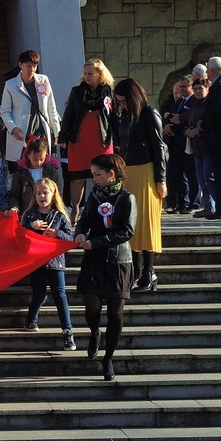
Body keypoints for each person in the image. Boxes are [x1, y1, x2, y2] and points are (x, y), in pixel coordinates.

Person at [74, 154, 137, 381]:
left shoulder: (127, 198)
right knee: (91, 308)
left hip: (118, 261)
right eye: (92, 175)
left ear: (111, 174)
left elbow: (127, 231)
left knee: (115, 313)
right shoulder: (94, 195)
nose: (94, 179)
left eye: (97, 174)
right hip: (94, 260)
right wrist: (80, 231)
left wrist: (97, 242)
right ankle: (94, 331)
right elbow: (84, 219)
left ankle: (108, 358)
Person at [114, 78, 167, 291]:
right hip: (129, 171)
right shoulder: (126, 115)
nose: (122, 105)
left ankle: (149, 272)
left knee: (146, 222)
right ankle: (136, 271)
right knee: (131, 222)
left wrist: (161, 179)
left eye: (124, 101)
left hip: (146, 171)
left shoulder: (149, 114)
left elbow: (160, 148)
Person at [58, 58, 117, 224]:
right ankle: (76, 209)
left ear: (100, 74)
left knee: (104, 175)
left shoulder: (108, 91)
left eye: (90, 73)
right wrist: (63, 137)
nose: (87, 76)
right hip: (79, 140)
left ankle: (105, 208)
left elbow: (114, 117)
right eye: (85, 73)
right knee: (77, 177)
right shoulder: (77, 91)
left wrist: (119, 139)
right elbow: (68, 114)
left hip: (102, 140)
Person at [20, 178, 75, 350]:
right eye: (38, 193)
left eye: (45, 192)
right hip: (37, 262)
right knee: (39, 294)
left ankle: (67, 331)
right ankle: (31, 321)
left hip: (56, 263)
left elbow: (70, 239)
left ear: (53, 195)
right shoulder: (29, 215)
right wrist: (31, 227)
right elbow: (20, 237)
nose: (42, 196)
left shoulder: (59, 215)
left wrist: (57, 233)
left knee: (60, 296)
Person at [0, 50, 61, 176]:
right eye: (28, 66)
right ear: (20, 65)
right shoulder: (10, 85)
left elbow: (51, 108)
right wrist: (13, 128)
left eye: (34, 66)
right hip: (22, 132)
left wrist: (57, 132)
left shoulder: (44, 80)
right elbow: (5, 111)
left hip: (41, 128)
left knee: (43, 164)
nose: (32, 69)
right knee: (23, 168)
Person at [163, 75, 198, 214]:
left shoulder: (194, 102)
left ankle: (193, 203)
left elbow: (186, 121)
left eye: (184, 87)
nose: (182, 89)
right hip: (174, 144)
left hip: (187, 144)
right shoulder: (178, 102)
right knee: (177, 175)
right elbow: (169, 117)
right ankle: (181, 203)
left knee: (191, 174)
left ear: (191, 87)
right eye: (180, 87)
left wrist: (172, 127)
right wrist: (167, 126)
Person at [182, 79, 216, 218]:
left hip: (208, 147)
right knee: (202, 179)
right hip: (197, 148)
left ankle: (215, 206)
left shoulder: (209, 105)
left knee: (209, 178)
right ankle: (208, 207)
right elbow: (188, 121)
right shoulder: (194, 105)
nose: (197, 91)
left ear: (207, 89)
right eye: (195, 89)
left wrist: (198, 131)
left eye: (200, 88)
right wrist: (187, 131)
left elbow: (210, 125)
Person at [200, 56, 221, 220]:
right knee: (217, 174)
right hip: (216, 138)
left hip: (219, 138)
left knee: (220, 174)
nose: (206, 70)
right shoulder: (217, 85)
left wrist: (204, 123)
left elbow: (218, 109)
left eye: (207, 68)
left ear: (213, 70)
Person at [8, 137, 61, 215]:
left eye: (42, 159)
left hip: (47, 212)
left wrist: (56, 210)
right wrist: (15, 207)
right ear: (28, 156)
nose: (39, 163)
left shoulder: (50, 171)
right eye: (35, 160)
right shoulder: (21, 172)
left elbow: (57, 193)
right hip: (27, 213)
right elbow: (15, 194)